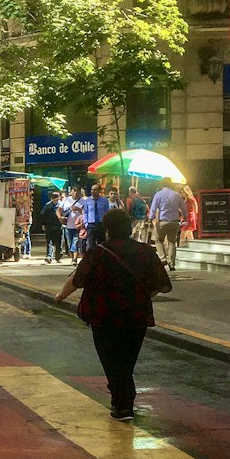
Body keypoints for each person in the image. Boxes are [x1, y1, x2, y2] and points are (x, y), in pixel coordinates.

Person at [54, 207, 172, 421]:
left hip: (104, 315)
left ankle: (123, 405)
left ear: (107, 229)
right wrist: (140, 297)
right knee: (127, 360)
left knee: (111, 360)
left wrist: (60, 296)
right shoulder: (145, 251)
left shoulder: (98, 252)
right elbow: (160, 283)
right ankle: (124, 401)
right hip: (137, 315)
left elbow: (77, 279)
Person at [148, 180, 187, 269]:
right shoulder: (177, 195)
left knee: (158, 240)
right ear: (171, 184)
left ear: (162, 184)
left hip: (163, 221)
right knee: (172, 242)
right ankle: (171, 263)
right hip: (174, 221)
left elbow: (153, 208)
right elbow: (184, 208)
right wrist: (185, 217)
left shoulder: (158, 194)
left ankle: (163, 258)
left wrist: (150, 219)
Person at [81, 184, 111, 252]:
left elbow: (107, 212)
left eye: (95, 190)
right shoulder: (88, 200)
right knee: (90, 244)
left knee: (102, 244)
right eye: (92, 189)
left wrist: (106, 223)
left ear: (99, 191)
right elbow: (85, 212)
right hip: (91, 224)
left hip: (101, 224)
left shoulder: (104, 200)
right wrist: (86, 223)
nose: (93, 191)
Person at [41, 190, 65, 263]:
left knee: (59, 243)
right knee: (49, 242)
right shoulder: (48, 205)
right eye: (55, 199)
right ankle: (49, 256)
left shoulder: (61, 205)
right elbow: (43, 215)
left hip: (59, 226)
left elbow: (65, 213)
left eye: (57, 199)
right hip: (49, 227)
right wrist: (43, 224)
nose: (56, 200)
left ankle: (58, 257)